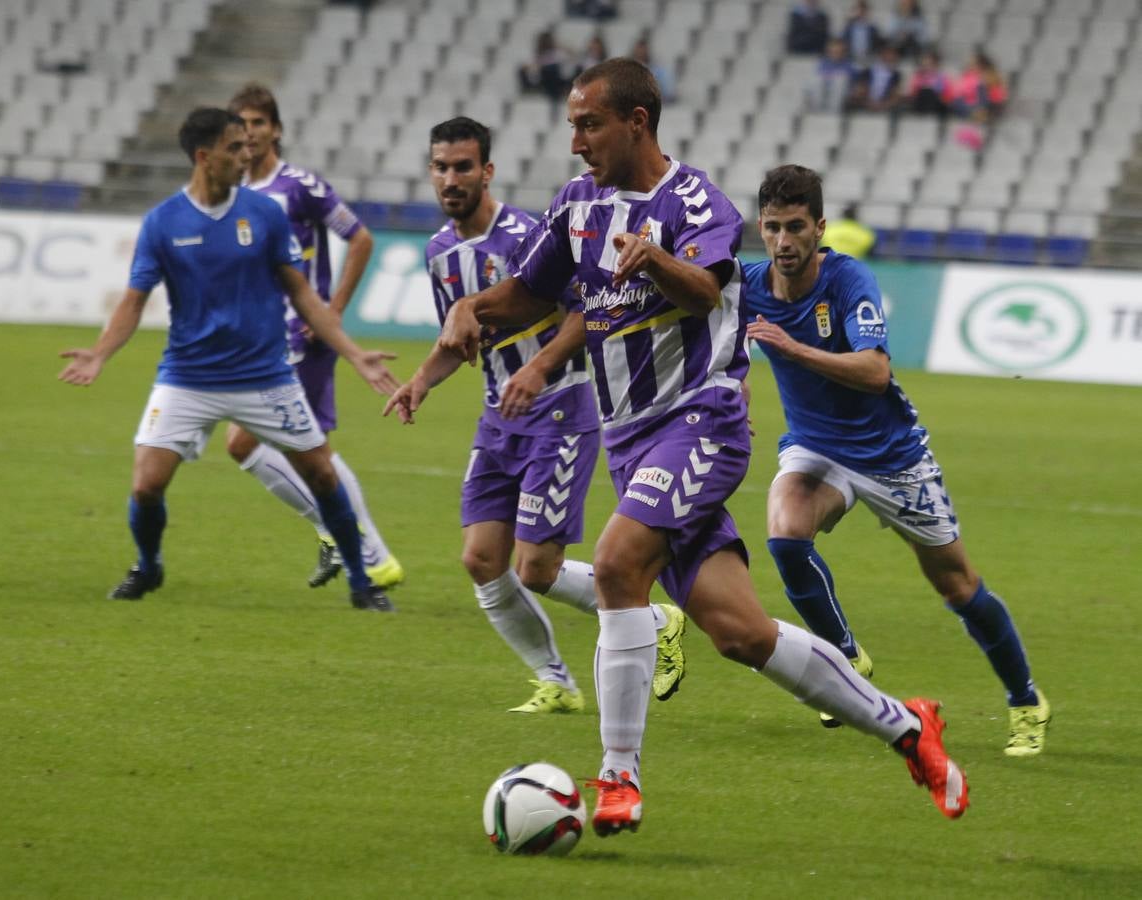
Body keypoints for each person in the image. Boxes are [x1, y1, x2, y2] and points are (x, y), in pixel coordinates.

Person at [438, 59, 970, 836]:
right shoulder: (576, 204)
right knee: (740, 632)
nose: (576, 140)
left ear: (637, 121)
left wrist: (656, 257)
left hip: (700, 420)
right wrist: (473, 309)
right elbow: (534, 292)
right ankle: (908, 728)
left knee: (618, 564)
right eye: (572, 125)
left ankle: (618, 777)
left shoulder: (695, 201)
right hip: (629, 438)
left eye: (589, 124)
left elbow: (710, 288)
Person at [744, 164, 1050, 756]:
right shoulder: (748, 283)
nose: (784, 242)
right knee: (784, 536)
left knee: (957, 585)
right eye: (774, 227)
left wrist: (794, 349)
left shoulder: (848, 279)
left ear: (820, 227)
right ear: (761, 227)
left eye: (797, 228)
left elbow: (875, 371)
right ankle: (844, 657)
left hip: (891, 457)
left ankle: (1025, 701)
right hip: (815, 447)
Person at [384, 116, 687, 713]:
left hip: (561, 405)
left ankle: (655, 617)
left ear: (487, 171)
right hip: (499, 415)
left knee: (537, 569)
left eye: (463, 166)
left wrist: (540, 367)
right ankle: (556, 680)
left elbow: (589, 309)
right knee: (479, 559)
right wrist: (420, 381)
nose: (451, 179)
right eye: (441, 167)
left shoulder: (527, 234)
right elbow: (464, 335)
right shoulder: (440, 252)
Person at [58, 107, 399, 612]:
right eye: (234, 148)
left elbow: (302, 294)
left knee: (322, 475)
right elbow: (134, 300)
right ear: (204, 156)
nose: (246, 156)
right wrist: (101, 353)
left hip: (265, 375)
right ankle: (149, 566)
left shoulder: (263, 215)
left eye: (248, 145)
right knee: (146, 485)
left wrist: (352, 353)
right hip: (187, 376)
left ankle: (361, 581)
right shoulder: (162, 223)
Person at [225, 83, 403, 592]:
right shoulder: (235, 194)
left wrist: (334, 310)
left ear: (276, 129)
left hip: (303, 337)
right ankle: (345, 538)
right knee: (263, 444)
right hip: (261, 340)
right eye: (242, 124)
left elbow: (360, 237)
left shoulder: (299, 186)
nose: (251, 133)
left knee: (268, 444)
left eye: (259, 122)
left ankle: (363, 548)